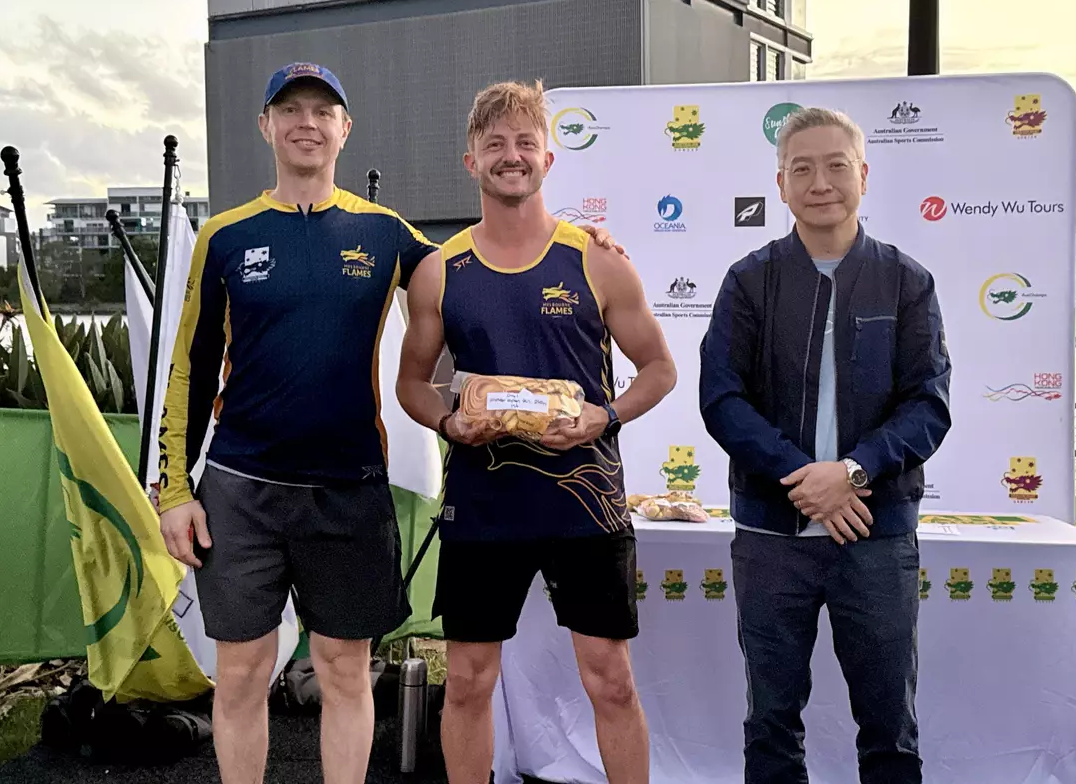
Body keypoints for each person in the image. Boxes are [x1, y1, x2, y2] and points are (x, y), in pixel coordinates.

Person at [155, 62, 623, 784]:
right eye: (290, 110)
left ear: (345, 128)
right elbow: (189, 367)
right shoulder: (223, 236)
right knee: (242, 672)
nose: (307, 123)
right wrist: (174, 491)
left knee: (345, 669)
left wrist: (578, 241)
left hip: (348, 488)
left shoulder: (385, 234)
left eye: (322, 111)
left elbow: (491, 258)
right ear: (266, 126)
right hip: (241, 488)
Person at [397, 79, 677, 784]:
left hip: (585, 503)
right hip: (483, 503)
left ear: (548, 159)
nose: (511, 155)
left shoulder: (597, 259)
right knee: (467, 682)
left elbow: (659, 369)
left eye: (526, 142)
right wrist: (449, 421)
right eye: (494, 144)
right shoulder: (439, 270)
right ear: (471, 161)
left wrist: (605, 415)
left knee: (611, 679)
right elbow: (412, 385)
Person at [698, 106, 952, 784]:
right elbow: (722, 398)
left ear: (862, 174)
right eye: (801, 168)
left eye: (836, 166)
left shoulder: (907, 281)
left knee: (890, 729)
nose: (820, 183)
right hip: (771, 539)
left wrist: (853, 472)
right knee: (771, 725)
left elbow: (928, 405)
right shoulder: (749, 280)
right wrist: (804, 477)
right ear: (780, 184)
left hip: (876, 535)